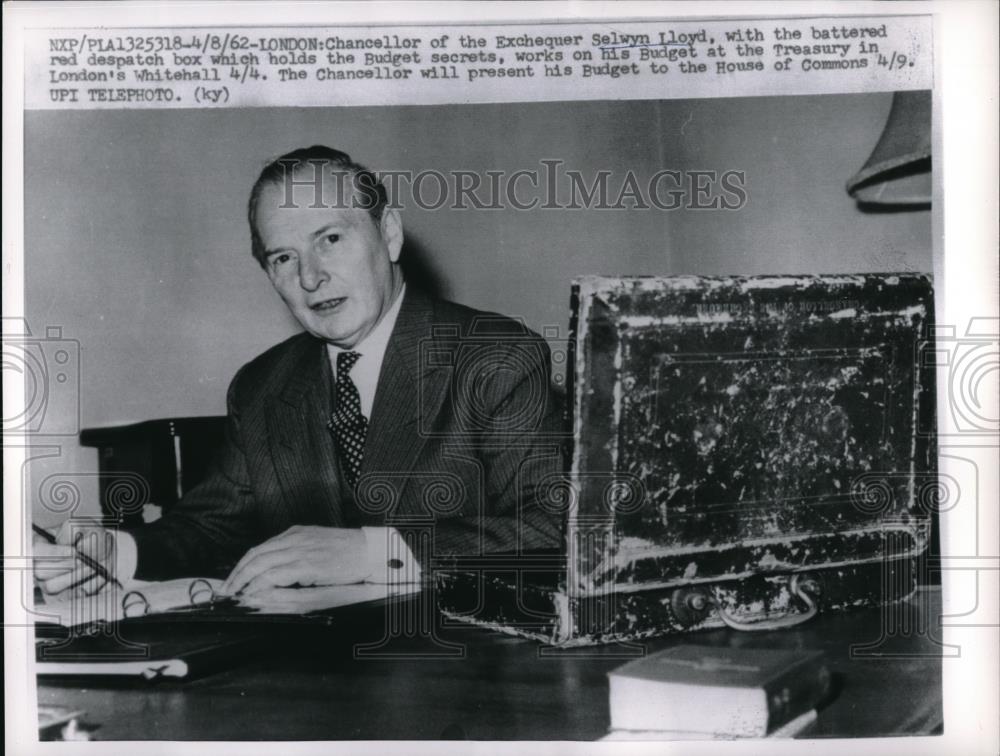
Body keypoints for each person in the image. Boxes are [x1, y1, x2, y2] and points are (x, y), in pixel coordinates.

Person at [34, 146, 564, 599]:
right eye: (283, 258)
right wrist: (115, 550)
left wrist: (375, 553)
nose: (311, 277)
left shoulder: (495, 356)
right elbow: (213, 526)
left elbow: (551, 527)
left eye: (330, 239)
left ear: (391, 235)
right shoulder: (263, 386)